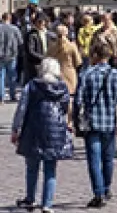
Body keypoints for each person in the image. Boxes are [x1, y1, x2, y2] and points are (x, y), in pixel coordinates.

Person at [11, 57, 74, 213]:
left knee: (32, 168)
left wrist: (15, 129)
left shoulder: (31, 86)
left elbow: (22, 109)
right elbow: (66, 108)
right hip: (55, 130)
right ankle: (47, 204)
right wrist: (68, 124)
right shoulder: (62, 87)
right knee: (50, 169)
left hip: (33, 130)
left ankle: (30, 198)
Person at [75, 40, 117, 209]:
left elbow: (78, 101)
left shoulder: (86, 74)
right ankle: (106, 188)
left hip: (92, 122)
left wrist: (76, 120)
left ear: (95, 55)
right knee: (108, 159)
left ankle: (98, 194)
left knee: (94, 159)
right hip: (109, 122)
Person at [46, 26, 81, 95]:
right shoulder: (72, 46)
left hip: (55, 75)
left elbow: (46, 61)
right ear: (66, 34)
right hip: (69, 75)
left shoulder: (51, 47)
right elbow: (78, 62)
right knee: (70, 95)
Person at [0, 13, 23, 102]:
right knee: (12, 76)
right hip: (12, 55)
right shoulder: (15, 29)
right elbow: (20, 42)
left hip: (1, 56)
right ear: (10, 19)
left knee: (1, 76)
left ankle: (1, 97)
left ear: (2, 18)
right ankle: (13, 95)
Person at [24, 14, 49, 82]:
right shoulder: (31, 35)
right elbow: (30, 51)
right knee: (35, 82)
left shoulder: (46, 33)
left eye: (43, 23)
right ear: (36, 23)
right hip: (35, 64)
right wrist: (43, 57)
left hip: (45, 62)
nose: (42, 25)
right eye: (40, 22)